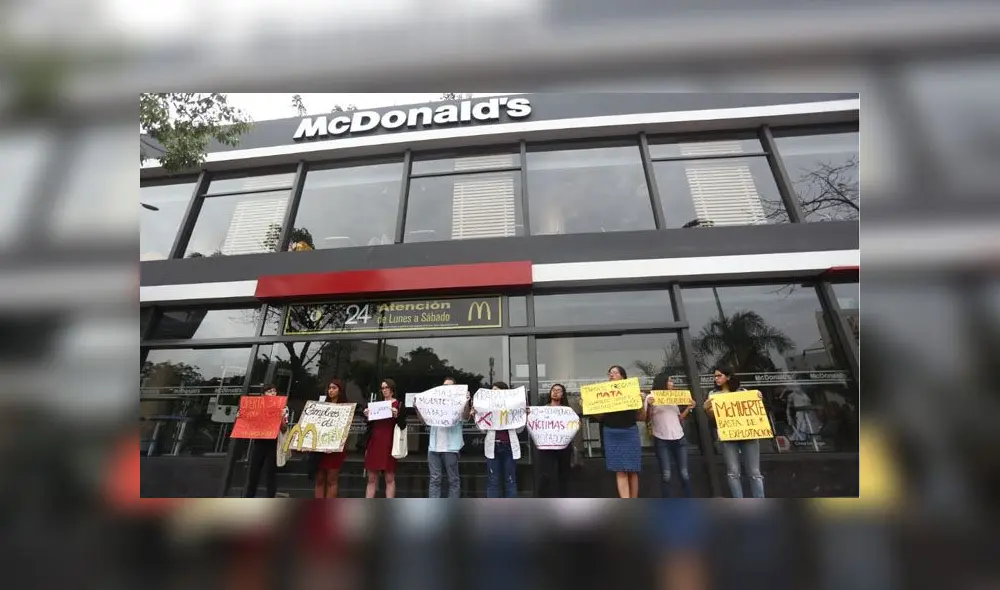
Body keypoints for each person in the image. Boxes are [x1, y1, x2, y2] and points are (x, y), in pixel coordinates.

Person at [704, 366, 765, 498]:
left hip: (749, 435)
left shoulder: (743, 391)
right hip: (728, 436)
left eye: (719, 375)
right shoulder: (713, 395)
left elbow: (753, 410)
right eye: (715, 376)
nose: (716, 379)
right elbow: (715, 418)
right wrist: (708, 409)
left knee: (755, 472)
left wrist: (758, 397)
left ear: (728, 376)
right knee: (733, 472)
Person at [592, 365, 646, 498]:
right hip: (611, 433)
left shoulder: (632, 392)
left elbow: (642, 417)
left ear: (622, 376)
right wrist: (589, 406)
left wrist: (642, 402)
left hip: (629, 432)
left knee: (632, 470)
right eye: (609, 373)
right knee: (620, 470)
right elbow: (600, 417)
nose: (611, 375)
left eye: (615, 373)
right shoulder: (604, 394)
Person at [418, 376, 471, 498]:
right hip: (434, 448)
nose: (446, 389)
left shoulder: (459, 403)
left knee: (453, 480)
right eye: (444, 386)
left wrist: (466, 402)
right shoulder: (435, 402)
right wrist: (417, 406)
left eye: (449, 386)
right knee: (434, 480)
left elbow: (466, 417)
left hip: (450, 448)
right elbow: (424, 421)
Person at [645, 374, 695, 497]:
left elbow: (679, 418)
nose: (672, 383)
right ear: (663, 383)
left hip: (679, 438)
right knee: (666, 474)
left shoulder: (673, 398)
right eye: (670, 381)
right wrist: (650, 406)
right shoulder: (651, 397)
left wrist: (689, 408)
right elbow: (646, 419)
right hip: (662, 439)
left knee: (684, 473)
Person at [242, 384, 289, 498]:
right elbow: (248, 422)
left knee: (270, 473)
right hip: (259, 442)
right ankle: (249, 496)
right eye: (269, 391)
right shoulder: (257, 406)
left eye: (274, 391)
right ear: (263, 395)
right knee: (254, 472)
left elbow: (284, 428)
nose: (272, 393)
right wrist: (242, 416)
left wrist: (281, 418)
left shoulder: (283, 407)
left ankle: (270, 497)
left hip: (273, 442)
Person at [362, 379, 403, 498]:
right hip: (375, 442)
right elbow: (369, 424)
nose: (384, 390)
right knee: (371, 478)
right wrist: (366, 414)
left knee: (389, 477)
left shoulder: (398, 404)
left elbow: (403, 425)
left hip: (389, 442)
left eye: (386, 387)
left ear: (392, 389)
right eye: (382, 388)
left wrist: (397, 415)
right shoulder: (377, 405)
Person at [479, 381, 521, 498]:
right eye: (492, 392)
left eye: (496, 391)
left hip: (509, 447)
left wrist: (523, 416)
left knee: (510, 480)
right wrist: (477, 416)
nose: (494, 394)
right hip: (493, 447)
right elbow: (483, 430)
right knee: (493, 481)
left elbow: (519, 430)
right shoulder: (487, 407)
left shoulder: (513, 407)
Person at [533, 383, 574, 497]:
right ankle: (543, 500)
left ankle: (563, 500)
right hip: (547, 446)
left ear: (563, 394)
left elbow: (574, 424)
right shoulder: (542, 410)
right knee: (546, 474)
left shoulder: (567, 410)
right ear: (550, 393)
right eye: (553, 390)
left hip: (564, 446)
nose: (555, 391)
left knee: (564, 475)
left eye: (559, 390)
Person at [314, 379, 349, 498]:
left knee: (331, 480)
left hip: (335, 448)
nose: (331, 390)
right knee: (319, 479)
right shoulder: (321, 405)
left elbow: (344, 429)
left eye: (334, 388)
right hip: (320, 447)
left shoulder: (345, 407)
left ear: (340, 390)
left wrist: (333, 444)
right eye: (329, 388)